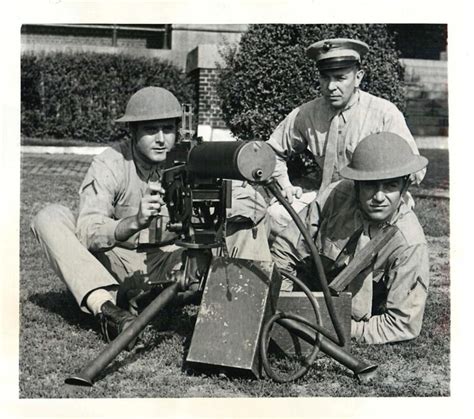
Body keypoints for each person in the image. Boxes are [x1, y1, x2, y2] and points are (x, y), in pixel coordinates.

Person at [30, 86, 270, 348]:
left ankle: (247, 316)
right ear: (132, 132)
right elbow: (88, 231)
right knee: (49, 217)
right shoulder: (112, 162)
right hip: (117, 264)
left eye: (167, 129)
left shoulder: (190, 159)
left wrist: (212, 207)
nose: (160, 139)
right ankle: (108, 311)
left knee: (247, 219)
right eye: (150, 130)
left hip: (173, 260)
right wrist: (134, 222)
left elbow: (256, 206)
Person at [271, 132, 429, 344]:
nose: (379, 197)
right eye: (371, 185)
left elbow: (401, 324)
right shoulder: (337, 195)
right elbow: (286, 249)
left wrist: (336, 327)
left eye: (391, 186)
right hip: (310, 291)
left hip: (355, 317)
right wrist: (282, 303)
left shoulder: (409, 243)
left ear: (405, 186)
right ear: (357, 184)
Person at [266, 37, 425, 235]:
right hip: (326, 198)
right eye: (325, 77)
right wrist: (285, 185)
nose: (331, 86)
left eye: (340, 78)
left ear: (358, 77)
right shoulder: (306, 114)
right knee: (275, 215)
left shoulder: (383, 113)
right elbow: (271, 152)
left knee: (372, 234)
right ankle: (304, 263)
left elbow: (416, 170)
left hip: (371, 202)